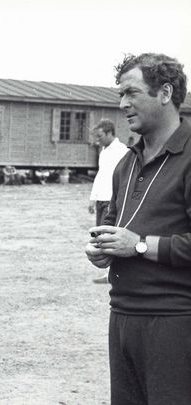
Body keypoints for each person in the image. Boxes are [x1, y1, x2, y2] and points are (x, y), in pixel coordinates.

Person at [86, 53, 191, 404]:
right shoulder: (126, 163)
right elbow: (118, 227)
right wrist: (103, 250)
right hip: (123, 316)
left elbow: (137, 241)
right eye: (120, 95)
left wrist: (140, 245)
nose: (122, 104)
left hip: (175, 321)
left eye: (131, 93)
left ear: (165, 92)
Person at [87, 119, 129, 284]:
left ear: (110, 132)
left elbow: (125, 178)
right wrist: (93, 198)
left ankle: (113, 273)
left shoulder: (123, 151)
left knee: (110, 236)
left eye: (100, 136)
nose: (98, 140)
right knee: (100, 237)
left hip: (113, 200)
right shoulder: (103, 151)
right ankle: (108, 272)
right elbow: (101, 175)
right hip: (101, 198)